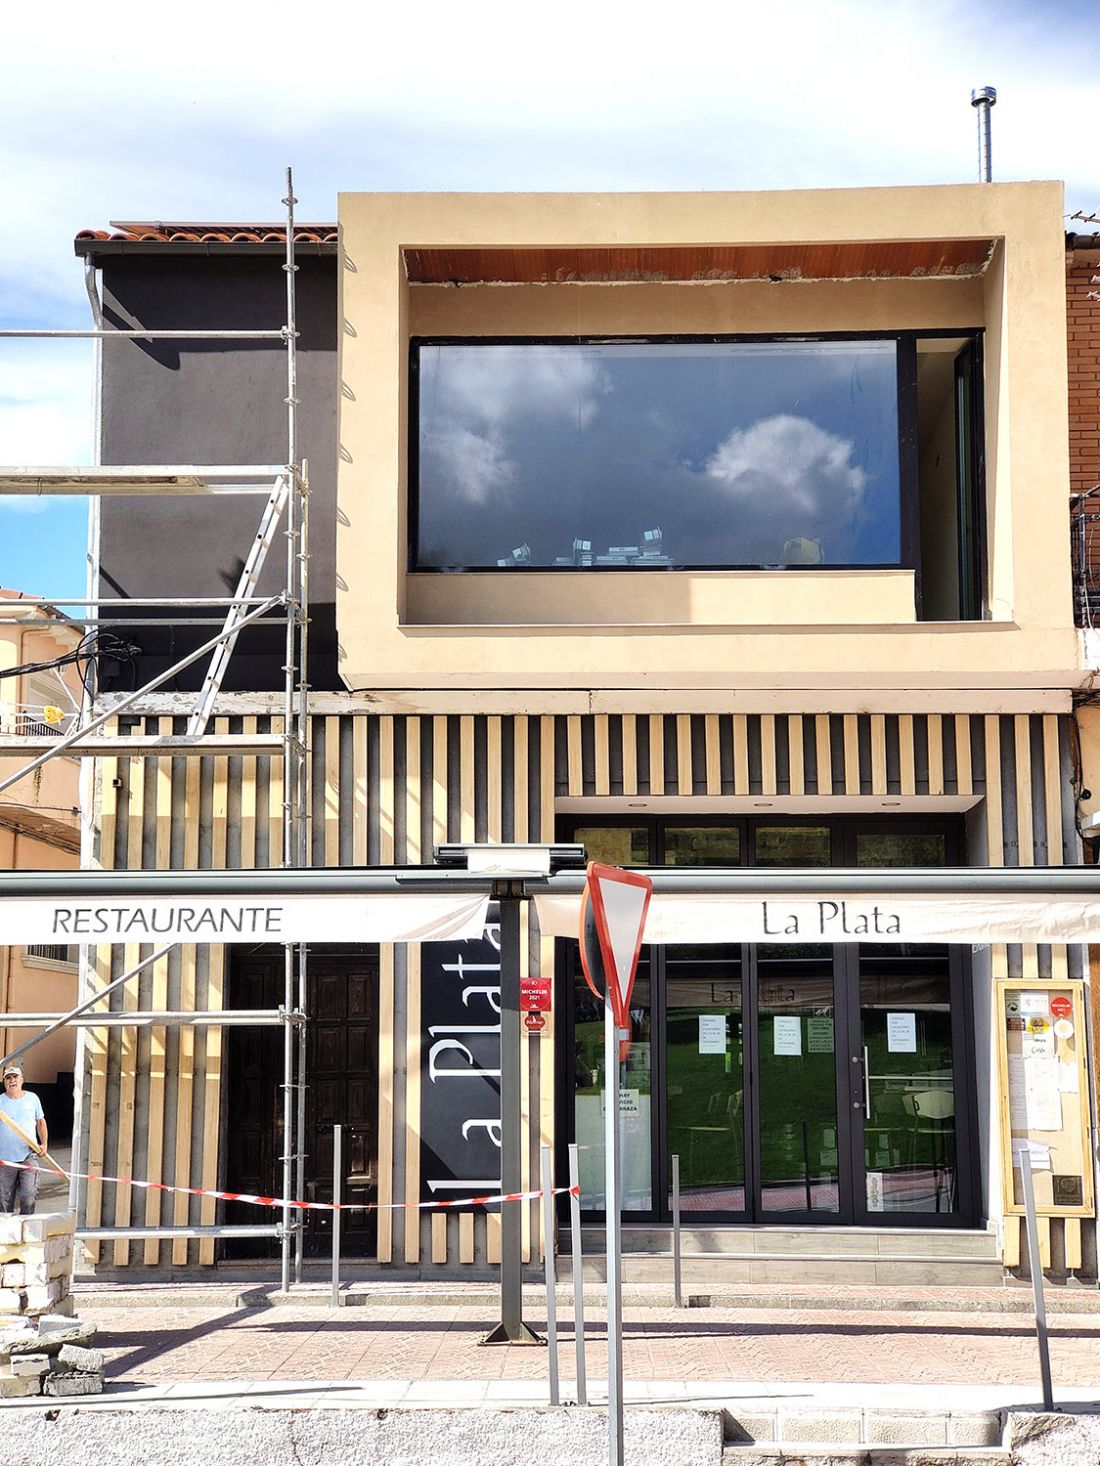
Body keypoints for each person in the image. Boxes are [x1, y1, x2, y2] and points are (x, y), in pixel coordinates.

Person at [0, 1065, 47, 1215]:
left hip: (28, 1156)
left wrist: (44, 1144)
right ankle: (6, 1235)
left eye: (15, 1077)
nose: (12, 1080)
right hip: (4, 1159)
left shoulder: (32, 1099)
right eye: (8, 1078)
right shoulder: (0, 1102)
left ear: (22, 1080)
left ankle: (26, 1231)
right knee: (4, 1201)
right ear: (4, 1083)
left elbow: (41, 1122)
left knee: (28, 1196)